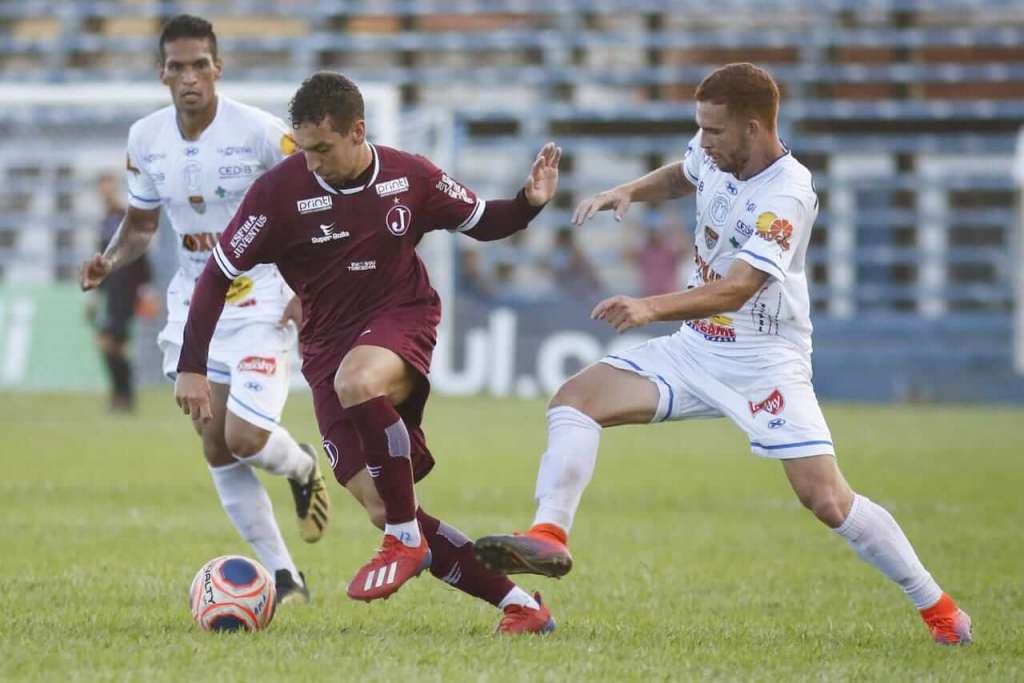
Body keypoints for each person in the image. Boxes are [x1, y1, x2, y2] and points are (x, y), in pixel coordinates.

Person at [474, 62, 972, 646]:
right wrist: (629, 190)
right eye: (700, 130)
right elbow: (684, 174)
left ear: (754, 127)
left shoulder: (787, 195)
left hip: (764, 360)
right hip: (696, 347)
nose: (703, 142)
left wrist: (649, 307)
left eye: (714, 132)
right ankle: (550, 537)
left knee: (827, 499)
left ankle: (939, 609)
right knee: (576, 400)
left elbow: (738, 288)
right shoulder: (716, 150)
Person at [173, 72, 562, 634]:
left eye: (323, 149)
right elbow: (218, 274)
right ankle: (521, 606)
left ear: (358, 131)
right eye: (303, 149)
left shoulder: (411, 176)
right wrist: (192, 365)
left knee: (360, 384)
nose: (311, 162)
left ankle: (403, 539)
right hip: (326, 347)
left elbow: (485, 221)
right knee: (382, 505)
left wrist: (528, 203)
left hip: (400, 320)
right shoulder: (278, 193)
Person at [79, 14, 331, 605]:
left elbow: (321, 201)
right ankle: (286, 575)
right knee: (214, 444)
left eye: (200, 65)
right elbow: (141, 225)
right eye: (177, 66)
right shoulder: (146, 139)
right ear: (162, 72)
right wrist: (111, 260)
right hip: (195, 303)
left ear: (218, 68)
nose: (189, 77)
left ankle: (299, 467)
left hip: (262, 297)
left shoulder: (263, 134)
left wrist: (308, 285)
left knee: (244, 437)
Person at [87, 172, 157, 413]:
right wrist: (95, 295)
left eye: (108, 186)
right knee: (112, 344)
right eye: (101, 187)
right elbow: (101, 261)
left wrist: (145, 288)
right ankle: (122, 396)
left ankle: (123, 395)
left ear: (115, 188)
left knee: (109, 342)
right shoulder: (105, 220)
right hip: (112, 289)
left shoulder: (124, 218)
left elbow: (140, 251)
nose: (104, 191)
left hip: (126, 288)